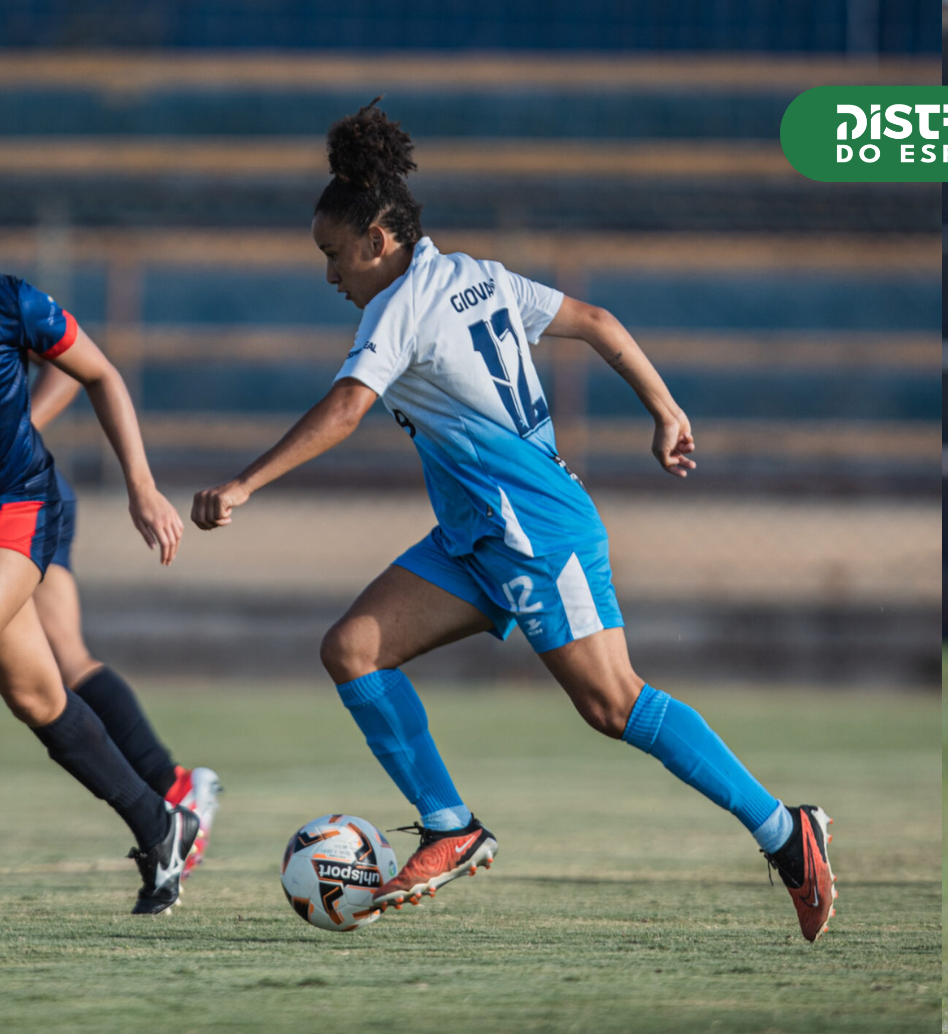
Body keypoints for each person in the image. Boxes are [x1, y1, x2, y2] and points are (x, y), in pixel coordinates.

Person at [189, 101, 836, 940]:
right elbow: (598, 322)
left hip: (532, 529)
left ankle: (786, 832)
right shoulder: (475, 274)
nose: (330, 275)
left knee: (613, 703)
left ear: (377, 241)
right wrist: (665, 407)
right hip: (476, 537)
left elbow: (347, 409)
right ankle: (450, 826)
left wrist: (243, 484)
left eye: (333, 254)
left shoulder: (398, 307)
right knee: (352, 649)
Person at [0, 276, 194, 913]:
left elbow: (100, 373)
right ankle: (159, 826)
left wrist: (141, 486)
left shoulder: (11, 302)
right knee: (36, 695)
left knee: (67, 659)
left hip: (17, 509)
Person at [29, 363, 221, 876]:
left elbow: (73, 365)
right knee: (55, 666)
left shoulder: (16, 315)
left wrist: (19, 428)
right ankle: (168, 795)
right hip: (28, 490)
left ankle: (166, 802)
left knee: (55, 667)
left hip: (19, 495)